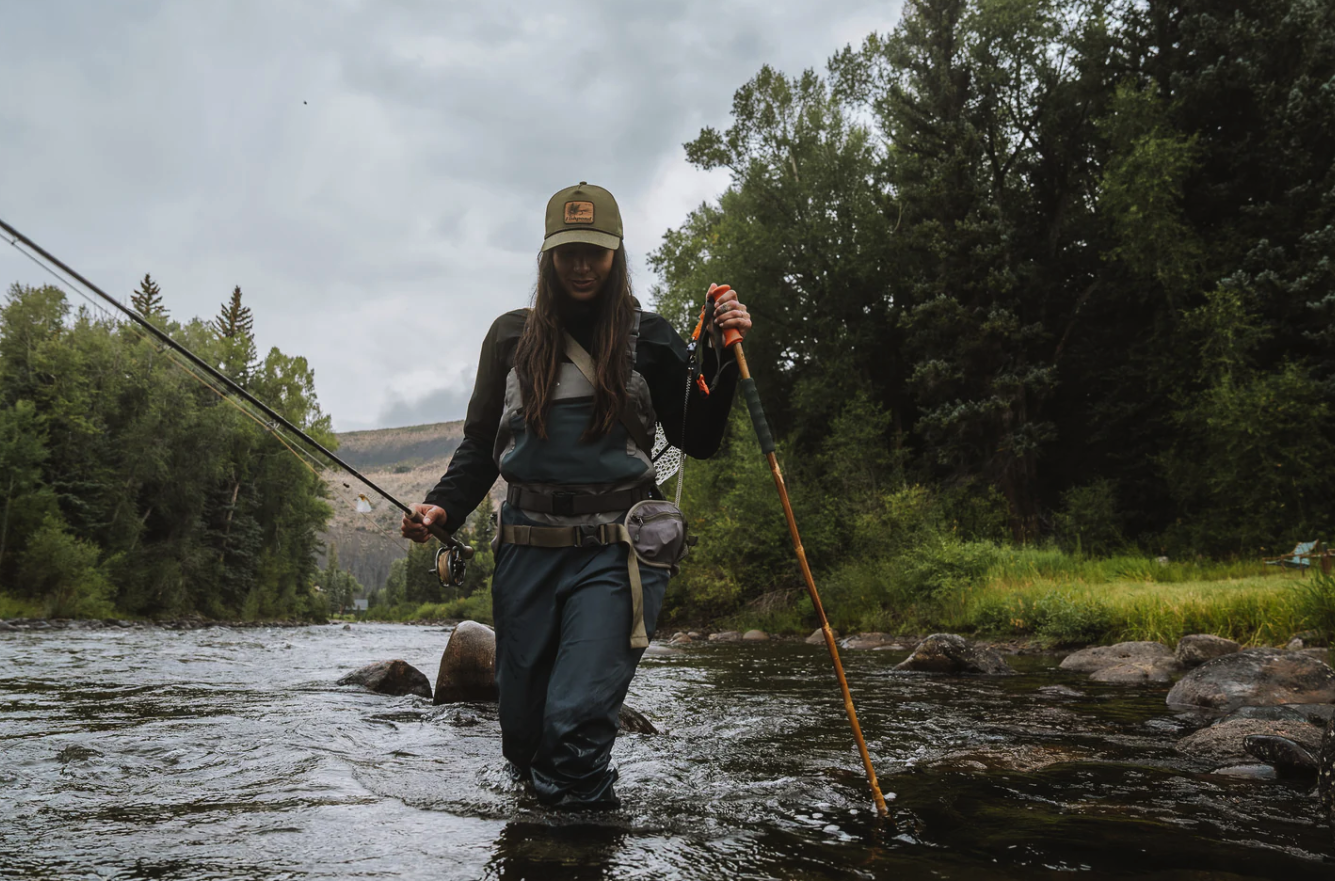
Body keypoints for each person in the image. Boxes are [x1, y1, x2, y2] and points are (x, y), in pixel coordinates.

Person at [401, 182, 751, 809]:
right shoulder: (510, 339)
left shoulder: (653, 338)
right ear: (547, 258)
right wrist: (442, 506)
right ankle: (546, 841)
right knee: (524, 743)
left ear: (617, 254)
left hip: (618, 556)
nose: (582, 265)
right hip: (526, 554)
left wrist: (724, 364)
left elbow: (698, 438)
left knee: (574, 731)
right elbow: (482, 446)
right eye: (568, 252)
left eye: (595, 251)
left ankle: (578, 850)